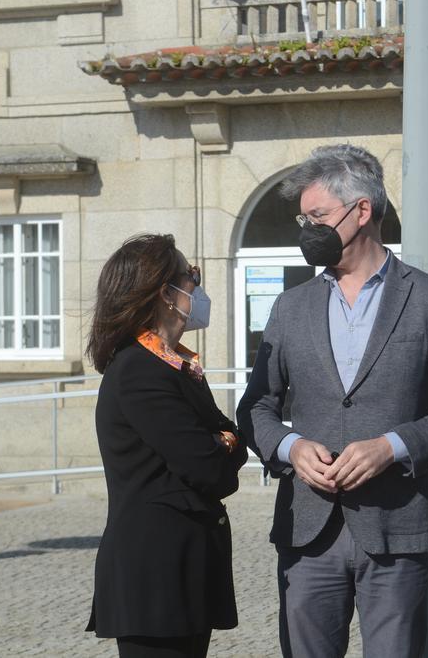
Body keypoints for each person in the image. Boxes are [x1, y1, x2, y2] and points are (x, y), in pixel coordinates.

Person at [238, 144, 428, 658]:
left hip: (397, 529)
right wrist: (289, 447)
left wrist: (391, 446)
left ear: (363, 211)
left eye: (318, 216)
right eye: (303, 218)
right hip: (308, 531)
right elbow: (256, 408)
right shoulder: (290, 306)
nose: (308, 229)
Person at [85, 233, 247, 658]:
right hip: (153, 578)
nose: (198, 284)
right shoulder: (139, 371)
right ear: (165, 293)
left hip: (183, 573)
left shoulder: (175, 365)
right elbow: (210, 469)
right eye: (191, 275)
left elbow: (230, 441)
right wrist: (221, 443)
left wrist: (223, 441)